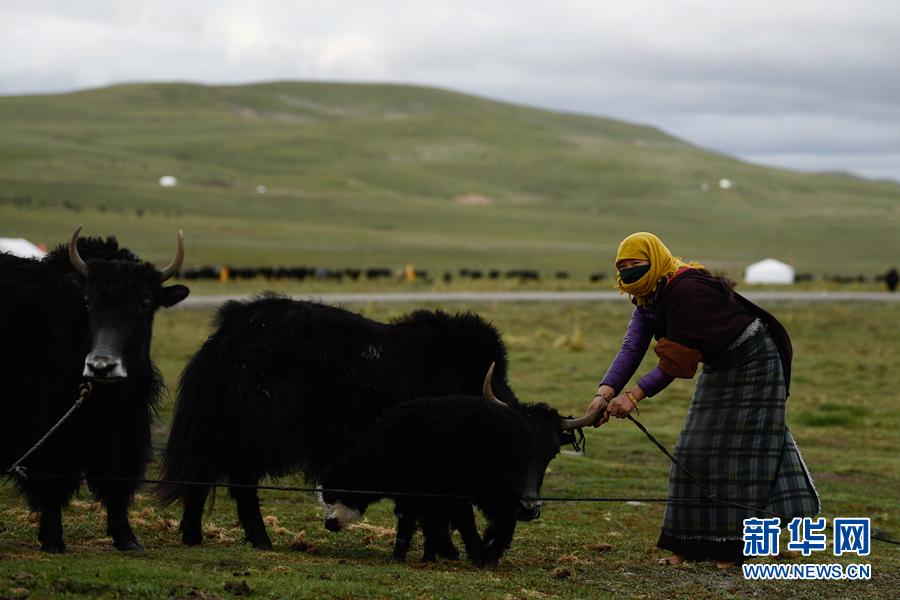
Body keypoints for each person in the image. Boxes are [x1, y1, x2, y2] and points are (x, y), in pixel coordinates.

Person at [588, 232, 819, 568]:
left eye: (636, 265)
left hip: (756, 358)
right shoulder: (646, 297)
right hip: (721, 361)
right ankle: (689, 547)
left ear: (655, 260)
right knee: (693, 450)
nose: (629, 273)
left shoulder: (684, 289)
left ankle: (740, 551)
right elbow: (632, 347)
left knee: (741, 456)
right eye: (622, 267)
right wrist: (604, 392)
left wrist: (633, 397)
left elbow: (675, 364)